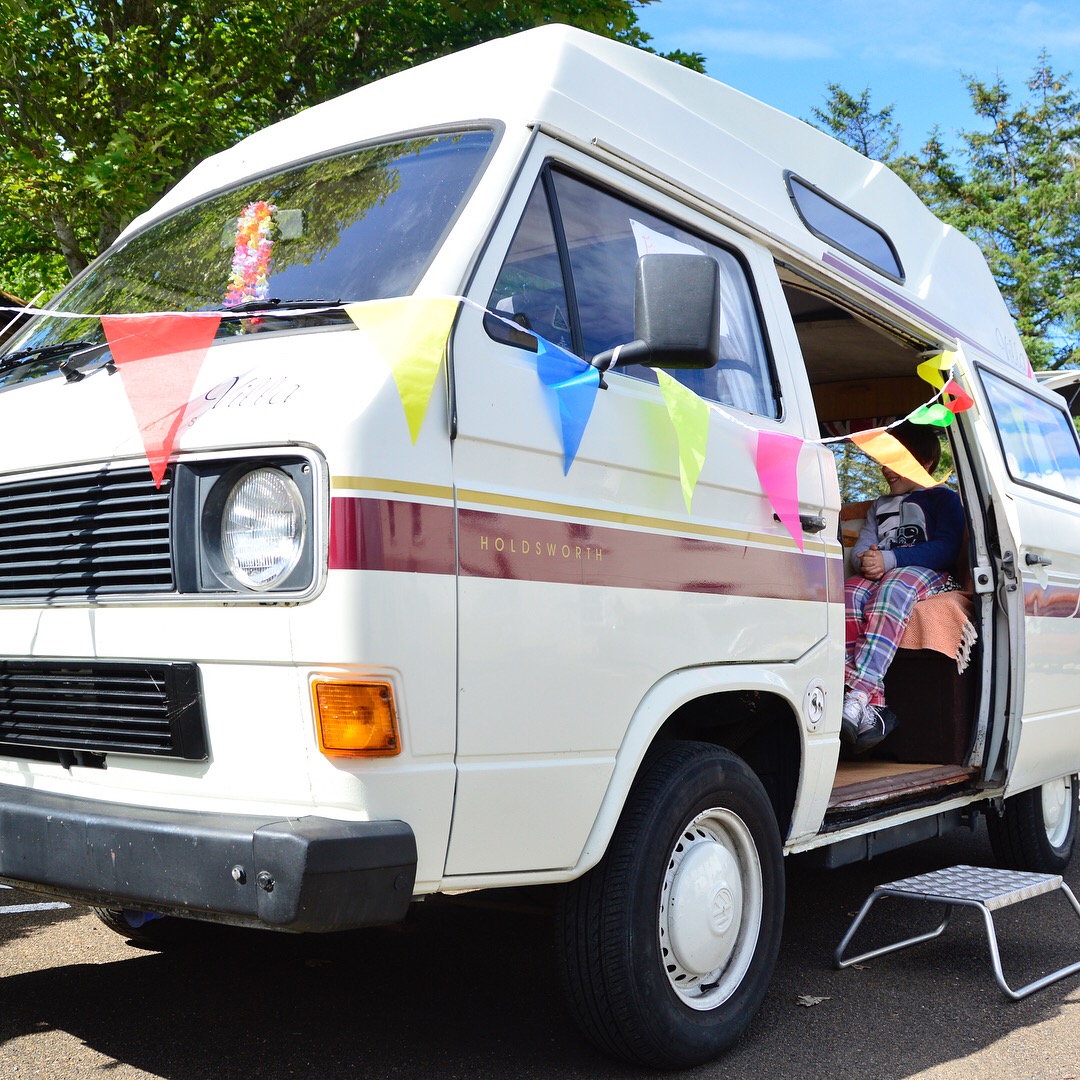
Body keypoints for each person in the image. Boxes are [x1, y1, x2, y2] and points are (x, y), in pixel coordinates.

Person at [843, 421, 966, 753]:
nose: (885, 468)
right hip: (884, 572)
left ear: (925, 463)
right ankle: (872, 708)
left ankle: (857, 691)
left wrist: (890, 558)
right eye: (883, 460)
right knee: (850, 591)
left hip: (929, 574)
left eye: (894, 460)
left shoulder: (943, 499)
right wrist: (865, 559)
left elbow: (946, 548)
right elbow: (864, 545)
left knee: (894, 586)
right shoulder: (879, 507)